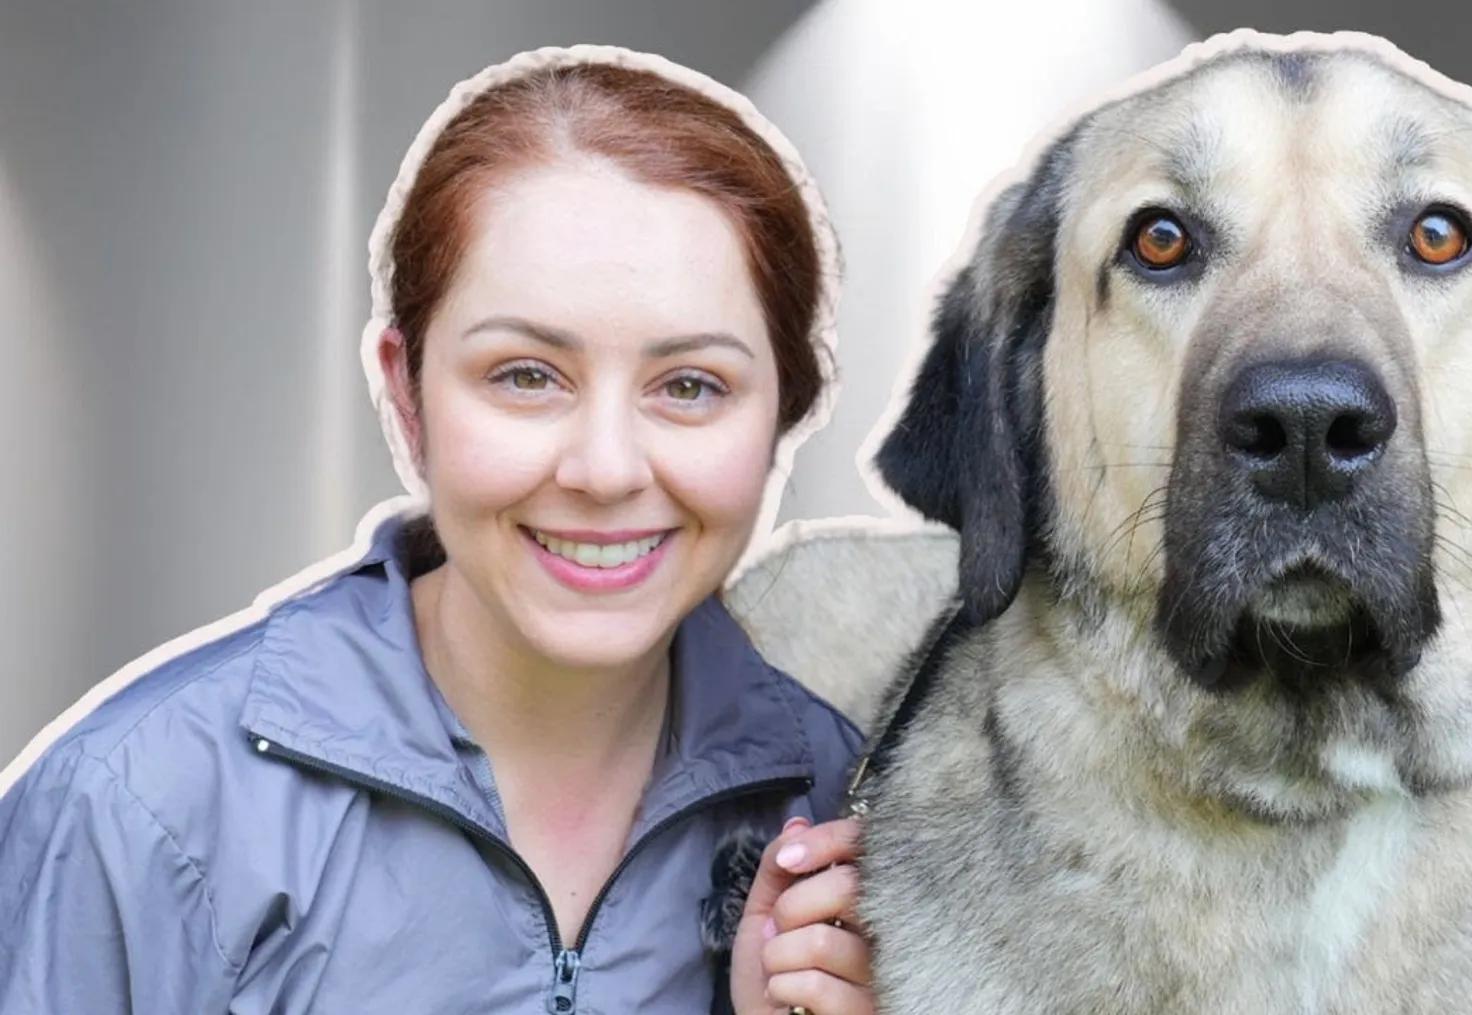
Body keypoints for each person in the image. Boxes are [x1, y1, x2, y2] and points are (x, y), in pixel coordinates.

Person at [0, 45, 874, 1015]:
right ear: (404, 394)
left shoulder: (851, 807)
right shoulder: (134, 810)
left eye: (690, 387)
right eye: (526, 374)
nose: (605, 468)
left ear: (781, 420)